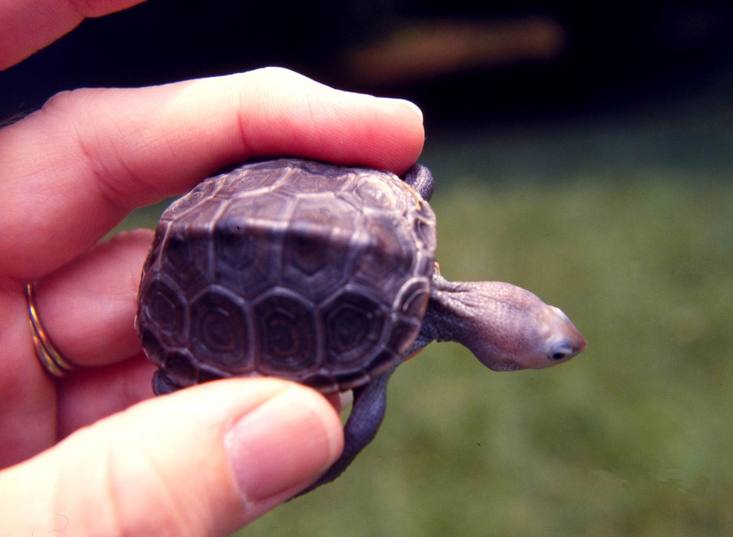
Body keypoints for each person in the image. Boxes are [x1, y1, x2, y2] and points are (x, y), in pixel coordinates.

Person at [0, 1, 425, 535]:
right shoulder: (408, 226)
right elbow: (358, 425)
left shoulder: (412, 197)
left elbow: (416, 173)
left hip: (228, 210)